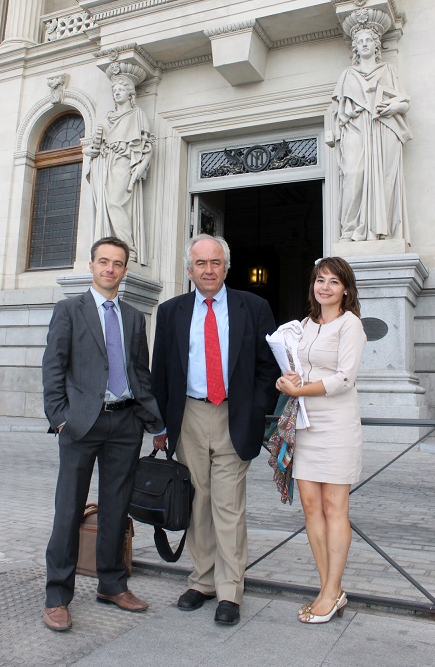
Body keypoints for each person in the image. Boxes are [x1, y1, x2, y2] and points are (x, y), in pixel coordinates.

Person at [150, 234, 278, 626]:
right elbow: (162, 371)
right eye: (201, 263)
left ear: (226, 266)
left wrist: (257, 412)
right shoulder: (171, 312)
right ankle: (201, 580)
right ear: (189, 270)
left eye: (215, 262)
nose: (208, 270)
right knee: (197, 502)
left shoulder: (253, 307)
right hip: (188, 415)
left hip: (232, 416)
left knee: (228, 504)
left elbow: (267, 367)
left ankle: (229, 590)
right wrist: (160, 424)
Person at [42, 236, 164, 632]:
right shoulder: (69, 310)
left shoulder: (133, 317)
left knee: (116, 508)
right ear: (92, 266)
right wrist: (60, 417)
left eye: (117, 263)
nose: (110, 269)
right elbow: (53, 367)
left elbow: (140, 375)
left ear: (125, 270)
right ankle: (58, 595)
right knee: (69, 509)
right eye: (103, 262)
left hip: (125, 424)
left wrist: (154, 423)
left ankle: (112, 583)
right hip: (82, 425)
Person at [276, 257, 366, 624]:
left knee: (334, 506)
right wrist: (286, 382)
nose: (325, 287)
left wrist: (300, 390)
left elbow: (344, 379)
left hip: (337, 424)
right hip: (305, 423)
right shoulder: (304, 325)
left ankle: (332, 591)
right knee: (311, 506)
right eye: (320, 280)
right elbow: (294, 368)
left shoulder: (351, 325)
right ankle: (328, 587)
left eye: (333, 281)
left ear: (346, 288)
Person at [329, 26, 412, 243]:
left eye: (369, 40)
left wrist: (394, 106)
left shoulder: (388, 70)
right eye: (361, 41)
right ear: (355, 47)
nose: (365, 43)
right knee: (353, 174)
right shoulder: (348, 74)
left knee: (384, 178)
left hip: (383, 128)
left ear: (376, 45)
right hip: (355, 128)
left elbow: (404, 102)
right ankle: (350, 229)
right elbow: (338, 114)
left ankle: (381, 231)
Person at [86, 76, 155, 265]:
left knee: (116, 203)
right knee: (107, 206)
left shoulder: (137, 114)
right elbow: (93, 146)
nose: (116, 93)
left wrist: (142, 165)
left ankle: (127, 249)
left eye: (121, 90)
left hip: (124, 162)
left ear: (130, 94)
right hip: (106, 163)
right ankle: (111, 250)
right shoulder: (105, 118)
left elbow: (147, 145)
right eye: (114, 90)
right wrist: (88, 151)